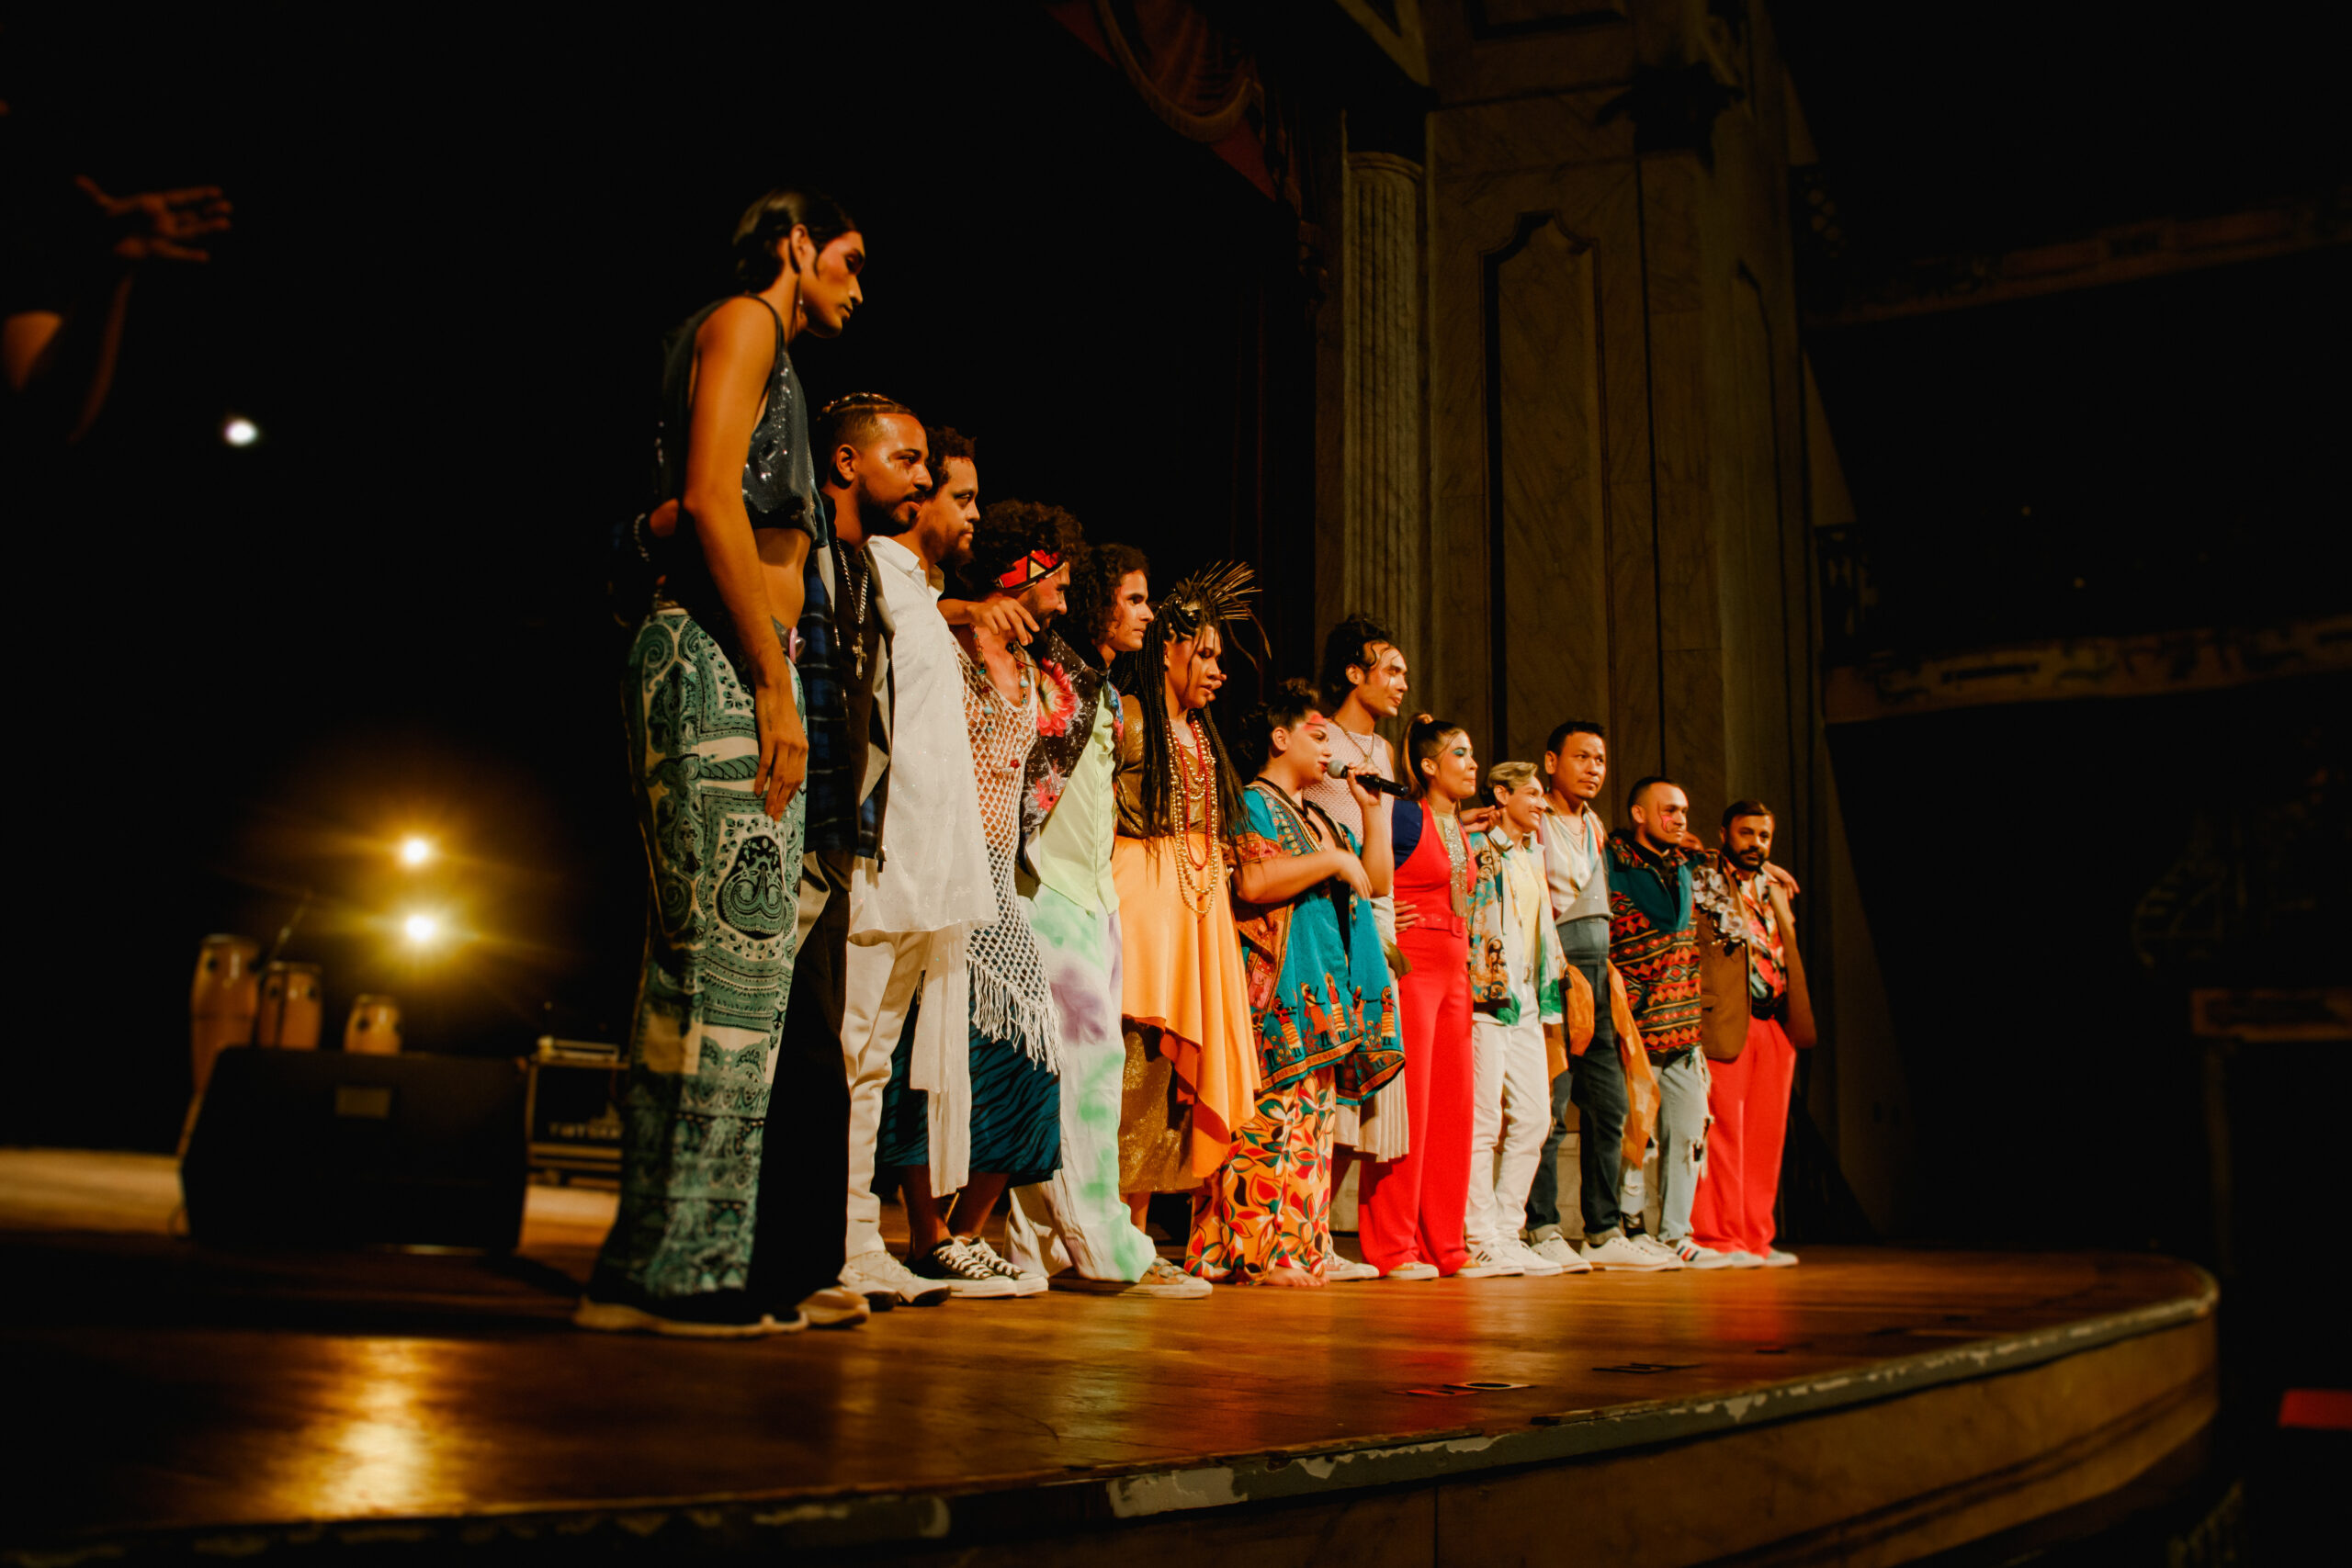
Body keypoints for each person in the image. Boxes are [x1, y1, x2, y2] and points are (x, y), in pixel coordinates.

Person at [579, 187, 868, 1337]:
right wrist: (771, 680)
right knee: (729, 974)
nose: (858, 285)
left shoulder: (760, 348)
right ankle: (684, 1273)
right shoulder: (746, 319)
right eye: (848, 258)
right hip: (719, 654)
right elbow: (706, 496)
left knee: (705, 970)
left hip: (724, 653)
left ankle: (655, 1265)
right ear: (796, 242)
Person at [874, 500, 1076, 1295]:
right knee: (932, 1049)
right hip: (941, 858)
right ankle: (926, 1233)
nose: (1065, 598)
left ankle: (966, 1231)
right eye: (1058, 580)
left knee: (1035, 1051)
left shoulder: (1033, 663)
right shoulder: (949, 636)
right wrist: (964, 609)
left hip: (998, 873)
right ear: (1021, 570)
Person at [1003, 542, 1211, 1299]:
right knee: (1084, 1070)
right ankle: (1100, 1243)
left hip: (1095, 894)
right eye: (1135, 599)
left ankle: (1041, 1245)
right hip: (1049, 888)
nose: (1147, 614)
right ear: (1098, 600)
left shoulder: (1108, 692)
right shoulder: (1050, 668)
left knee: (1073, 1070)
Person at [830, 418, 994, 1309]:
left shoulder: (921, 598)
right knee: (852, 1051)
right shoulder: (872, 579)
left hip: (924, 866)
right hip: (880, 857)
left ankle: (857, 1235)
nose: (965, 509)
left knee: (875, 1059)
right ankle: (841, 1238)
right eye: (952, 493)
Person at [1192, 680, 1404, 1285]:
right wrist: (1332, 860)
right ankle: (1250, 1253)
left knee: (1310, 1130)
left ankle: (1296, 1247)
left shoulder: (1320, 818)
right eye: (1318, 735)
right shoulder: (1251, 801)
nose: (1329, 747)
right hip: (1275, 990)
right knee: (1267, 1125)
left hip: (1320, 993)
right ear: (1280, 738)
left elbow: (1377, 879)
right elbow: (1254, 882)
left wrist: (1369, 810)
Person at [1114, 563, 1261, 1226]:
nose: (1216, 670)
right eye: (1204, 654)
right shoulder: (1129, 717)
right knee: (1136, 1067)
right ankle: (1108, 1225)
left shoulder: (1200, 733)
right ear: (1167, 647)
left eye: (1218, 659)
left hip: (1194, 908)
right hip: (1144, 905)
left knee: (1172, 1080)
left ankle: (1138, 1233)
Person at [1295, 614, 1411, 1282]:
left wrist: (1386, 930)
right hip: (1317, 914)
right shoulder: (1318, 733)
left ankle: (1320, 1236)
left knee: (1361, 1079)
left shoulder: (1385, 753)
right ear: (1352, 673)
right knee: (1323, 1070)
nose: (1401, 683)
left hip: (1368, 914)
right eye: (1390, 669)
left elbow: (1381, 861)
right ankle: (1302, 1228)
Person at [1525, 721, 1660, 1271]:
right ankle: (1542, 1226)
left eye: (1600, 760)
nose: (1593, 769)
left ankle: (1603, 1230)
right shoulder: (1536, 819)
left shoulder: (1595, 825)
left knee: (1610, 1105)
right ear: (1551, 762)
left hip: (1600, 976)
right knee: (1552, 1106)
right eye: (1582, 757)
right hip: (1558, 972)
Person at [1357, 715, 1482, 1280]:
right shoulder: (1407, 816)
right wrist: (1384, 919)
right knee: (1409, 1109)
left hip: (1456, 974)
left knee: (1453, 1111)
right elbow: (1371, 869)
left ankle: (1444, 1244)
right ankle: (1393, 1245)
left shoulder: (1458, 824)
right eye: (1460, 754)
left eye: (1471, 753)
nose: (1472, 764)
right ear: (1429, 766)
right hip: (1415, 969)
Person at [1461, 761, 1575, 1278]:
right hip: (1489, 995)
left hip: (1527, 995)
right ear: (1502, 795)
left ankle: (1508, 1230)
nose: (1541, 803)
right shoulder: (1480, 847)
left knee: (1534, 1117)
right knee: (1485, 1119)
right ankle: (1479, 1235)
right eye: (1531, 793)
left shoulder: (1532, 853)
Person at [1604, 777, 1716, 1269]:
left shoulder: (1687, 865)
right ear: (1639, 814)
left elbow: (1731, 868)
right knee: (1637, 1136)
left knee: (1687, 1133)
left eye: (1684, 811)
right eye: (1669, 810)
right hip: (1635, 1027)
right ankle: (1630, 1224)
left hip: (1684, 1029)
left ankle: (1676, 1233)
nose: (1680, 819)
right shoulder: (1612, 862)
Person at [1689, 800, 1804, 1269]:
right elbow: (1686, 852)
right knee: (1724, 1134)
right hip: (1730, 1017)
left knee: (1764, 1138)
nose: (1755, 844)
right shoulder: (1707, 877)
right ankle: (1719, 1236)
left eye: (1763, 836)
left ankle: (1757, 1237)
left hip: (1775, 1020)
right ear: (1724, 834)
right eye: (1746, 833)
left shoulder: (1774, 888)